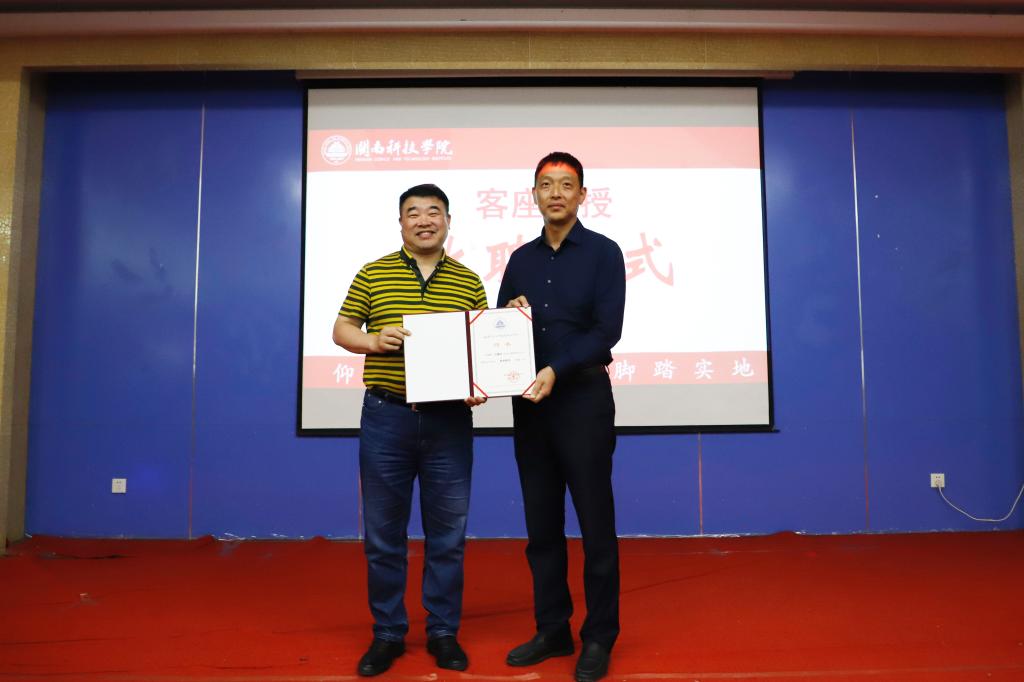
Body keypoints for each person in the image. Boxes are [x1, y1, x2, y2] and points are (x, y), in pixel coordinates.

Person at [333, 183, 488, 677]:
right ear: (400, 223)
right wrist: (373, 340)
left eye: (433, 212)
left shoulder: (469, 281)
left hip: (449, 422)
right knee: (383, 536)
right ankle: (387, 634)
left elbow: (481, 351)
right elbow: (342, 329)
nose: (424, 221)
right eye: (413, 213)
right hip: (387, 417)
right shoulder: (373, 273)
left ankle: (443, 632)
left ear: (448, 221)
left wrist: (478, 384)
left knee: (448, 536)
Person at [497, 152, 626, 682]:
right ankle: (552, 629)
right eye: (546, 184)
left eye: (566, 185)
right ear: (533, 195)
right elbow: (498, 329)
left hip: (583, 401)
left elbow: (607, 331)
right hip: (531, 406)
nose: (555, 193)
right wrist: (507, 321)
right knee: (541, 527)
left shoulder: (604, 253)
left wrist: (556, 368)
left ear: (582, 195)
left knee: (596, 526)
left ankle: (599, 636)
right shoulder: (519, 259)